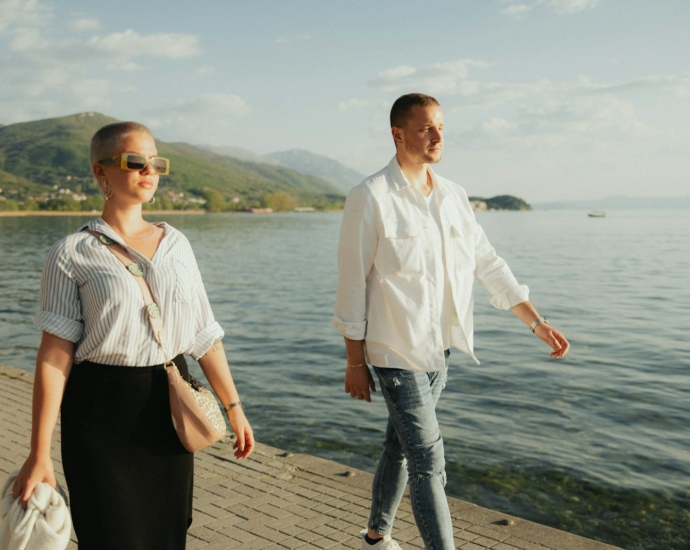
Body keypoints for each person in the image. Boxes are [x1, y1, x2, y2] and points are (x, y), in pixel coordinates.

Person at [332, 93, 570, 550]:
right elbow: (353, 284)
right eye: (426, 128)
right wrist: (355, 361)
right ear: (398, 134)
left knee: (400, 448)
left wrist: (536, 321)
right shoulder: (370, 196)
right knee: (429, 460)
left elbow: (488, 263)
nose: (438, 136)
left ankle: (376, 536)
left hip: (440, 349)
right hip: (395, 350)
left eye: (441, 127)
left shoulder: (455, 197)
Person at [12, 121, 254, 550]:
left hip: (169, 406)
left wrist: (234, 407)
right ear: (100, 171)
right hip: (100, 414)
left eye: (157, 163)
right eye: (135, 162)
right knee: (110, 535)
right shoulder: (72, 252)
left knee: (167, 533)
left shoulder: (178, 245)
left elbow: (203, 335)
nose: (150, 171)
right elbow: (54, 356)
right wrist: (39, 451)